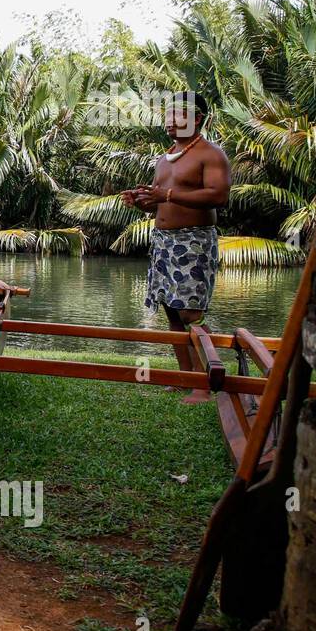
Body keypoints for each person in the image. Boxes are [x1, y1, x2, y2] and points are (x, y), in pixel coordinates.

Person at [122, 91, 231, 404]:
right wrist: (142, 202)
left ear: (197, 119)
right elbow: (161, 203)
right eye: (168, 115)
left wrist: (166, 196)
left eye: (179, 116)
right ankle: (185, 378)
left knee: (191, 313)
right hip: (163, 242)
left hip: (193, 242)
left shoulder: (211, 154)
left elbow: (218, 195)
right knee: (171, 310)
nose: (170, 121)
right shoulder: (165, 157)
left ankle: (203, 385)